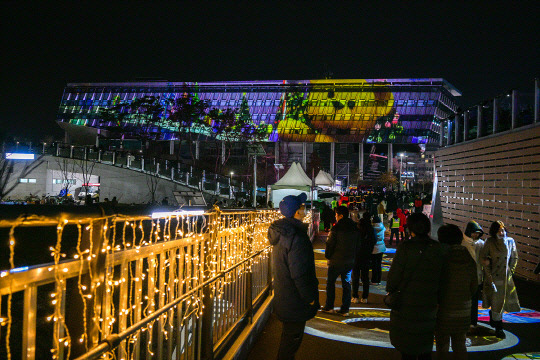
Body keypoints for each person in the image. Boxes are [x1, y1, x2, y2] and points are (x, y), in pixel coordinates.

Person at [386, 213, 445, 360]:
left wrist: (391, 290)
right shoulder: (437, 248)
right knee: (425, 342)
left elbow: (393, 278)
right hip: (429, 302)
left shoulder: (406, 248)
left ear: (411, 228)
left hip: (407, 304)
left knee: (408, 347)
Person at [267, 193, 319, 359]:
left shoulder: (282, 233)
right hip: (296, 300)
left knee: (288, 338)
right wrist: (310, 297)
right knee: (291, 343)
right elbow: (300, 273)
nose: (305, 209)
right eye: (302, 206)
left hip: (285, 294)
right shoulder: (296, 237)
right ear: (297, 212)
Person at [435, 224, 478, 360]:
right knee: (460, 344)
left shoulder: (440, 258)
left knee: (442, 344)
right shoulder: (468, 258)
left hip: (443, 309)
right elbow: (474, 285)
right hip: (463, 309)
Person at [480, 221, 520, 339]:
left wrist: (510, 271)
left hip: (505, 276)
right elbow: (483, 257)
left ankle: (496, 322)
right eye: (499, 231)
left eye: (503, 230)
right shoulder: (490, 242)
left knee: (501, 301)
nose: (501, 233)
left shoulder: (510, 241)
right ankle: (498, 326)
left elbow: (514, 257)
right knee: (497, 301)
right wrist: (488, 272)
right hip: (493, 276)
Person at [321, 206, 359, 316]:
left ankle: (329, 306)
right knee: (346, 284)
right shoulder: (355, 228)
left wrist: (328, 256)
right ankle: (345, 309)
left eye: (336, 214)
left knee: (331, 283)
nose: (335, 216)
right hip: (349, 261)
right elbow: (358, 244)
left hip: (336, 261)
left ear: (341, 215)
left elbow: (330, 244)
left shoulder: (336, 228)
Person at [462, 221, 485, 331]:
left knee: (474, 299)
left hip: (477, 275)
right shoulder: (463, 242)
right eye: (474, 233)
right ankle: (466, 320)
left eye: (478, 233)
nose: (476, 235)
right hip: (466, 275)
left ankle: (472, 321)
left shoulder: (481, 243)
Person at [352, 211, 375, 304]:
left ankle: (355, 296)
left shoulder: (357, 229)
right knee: (365, 277)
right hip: (366, 256)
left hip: (356, 256)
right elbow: (373, 241)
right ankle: (365, 297)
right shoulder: (370, 229)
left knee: (355, 277)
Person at [371, 215, 386, 285]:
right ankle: (379, 280)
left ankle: (374, 280)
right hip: (381, 246)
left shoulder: (372, 228)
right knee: (379, 264)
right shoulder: (382, 227)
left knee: (374, 265)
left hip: (374, 247)